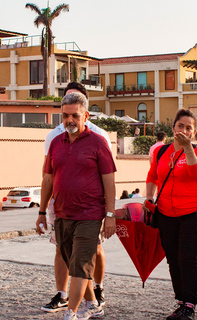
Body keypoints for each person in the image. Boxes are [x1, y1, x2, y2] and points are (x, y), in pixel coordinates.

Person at [36, 92, 117, 320]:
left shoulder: (98, 142)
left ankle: (71, 313)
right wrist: (42, 212)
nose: (69, 120)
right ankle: (92, 303)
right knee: (74, 263)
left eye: (74, 115)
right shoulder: (55, 142)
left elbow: (109, 180)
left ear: (86, 115)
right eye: (65, 116)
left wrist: (110, 215)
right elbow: (48, 179)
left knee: (80, 265)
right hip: (62, 214)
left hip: (90, 215)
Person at [145, 109, 197, 320]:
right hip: (165, 213)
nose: (183, 130)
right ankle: (181, 301)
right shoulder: (161, 152)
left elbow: (194, 171)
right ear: (173, 127)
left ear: (194, 131)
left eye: (188, 127)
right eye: (180, 126)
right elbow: (153, 175)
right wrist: (149, 197)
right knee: (173, 259)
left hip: (193, 213)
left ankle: (190, 305)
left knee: (188, 258)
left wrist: (188, 148)